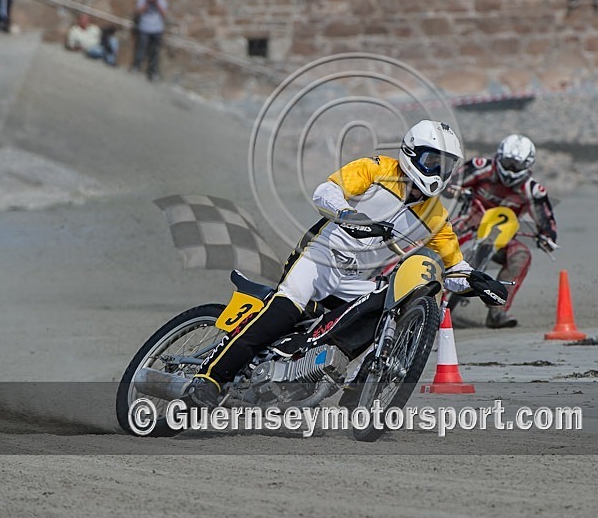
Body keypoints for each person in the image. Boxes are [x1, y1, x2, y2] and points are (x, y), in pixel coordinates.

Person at [182, 120, 507, 407]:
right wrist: (349, 215)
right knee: (279, 315)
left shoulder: (436, 215)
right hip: (318, 258)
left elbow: (455, 271)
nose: (438, 171)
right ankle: (209, 379)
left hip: (350, 277)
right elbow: (326, 191)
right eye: (431, 161)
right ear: (410, 153)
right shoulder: (378, 168)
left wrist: (477, 282)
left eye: (446, 165)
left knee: (382, 309)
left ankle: (353, 383)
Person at [446, 134, 558, 329]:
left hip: (500, 237)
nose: (511, 170)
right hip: (469, 222)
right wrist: (455, 190)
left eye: (517, 166)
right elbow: (451, 182)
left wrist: (548, 238)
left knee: (522, 254)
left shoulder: (533, 190)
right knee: (442, 238)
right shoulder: (481, 168)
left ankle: (498, 312)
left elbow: (546, 220)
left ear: (528, 166)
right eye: (507, 163)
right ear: (499, 157)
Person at [131, 0, 167, 82]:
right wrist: (147, 2)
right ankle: (136, 67)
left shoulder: (161, 0)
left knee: (154, 52)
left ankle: (153, 72)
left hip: (157, 29)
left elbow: (164, 14)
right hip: (144, 28)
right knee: (140, 49)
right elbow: (138, 12)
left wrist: (156, 3)